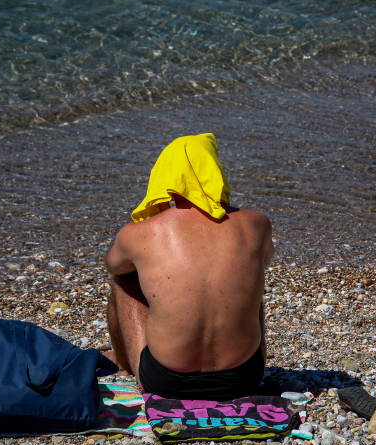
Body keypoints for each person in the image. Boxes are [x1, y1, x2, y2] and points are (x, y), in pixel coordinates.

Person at [103, 133, 274, 400]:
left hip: (165, 381)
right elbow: (265, 259)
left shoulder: (140, 233)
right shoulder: (257, 223)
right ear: (214, 170)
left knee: (125, 280)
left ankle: (123, 363)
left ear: (165, 176)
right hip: (244, 377)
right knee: (250, 279)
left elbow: (113, 265)